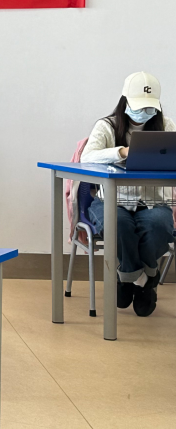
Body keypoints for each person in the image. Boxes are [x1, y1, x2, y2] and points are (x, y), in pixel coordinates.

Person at [79, 71, 176, 317]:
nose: (144, 112)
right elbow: (86, 157)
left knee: (158, 226)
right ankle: (145, 279)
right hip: (111, 201)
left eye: (149, 107)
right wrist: (121, 152)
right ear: (125, 101)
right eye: (139, 106)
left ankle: (127, 277)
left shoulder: (166, 126)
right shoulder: (107, 126)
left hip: (153, 202)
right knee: (119, 224)